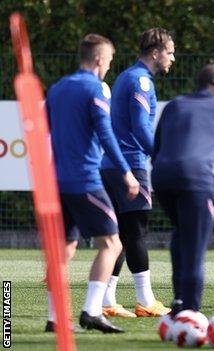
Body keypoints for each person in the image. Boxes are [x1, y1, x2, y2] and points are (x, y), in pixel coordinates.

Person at [45, 33, 140, 333]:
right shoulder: (95, 88)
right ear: (99, 59)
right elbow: (105, 133)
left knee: (65, 249)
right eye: (110, 60)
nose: (110, 66)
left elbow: (46, 129)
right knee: (112, 243)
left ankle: (55, 318)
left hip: (57, 182)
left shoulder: (57, 88)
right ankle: (91, 311)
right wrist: (126, 171)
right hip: (85, 181)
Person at [152, 64, 214, 315]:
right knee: (195, 246)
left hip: (161, 178)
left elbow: (156, 149)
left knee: (181, 232)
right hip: (196, 181)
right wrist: (209, 190)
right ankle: (190, 312)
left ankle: (179, 300)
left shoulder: (175, 105)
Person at [99, 27, 175, 318]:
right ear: (155, 52)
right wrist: (160, 155)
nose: (172, 57)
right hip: (130, 164)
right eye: (169, 51)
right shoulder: (141, 80)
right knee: (136, 233)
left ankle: (107, 300)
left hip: (112, 165)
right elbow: (141, 126)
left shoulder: (126, 77)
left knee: (119, 235)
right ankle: (145, 300)